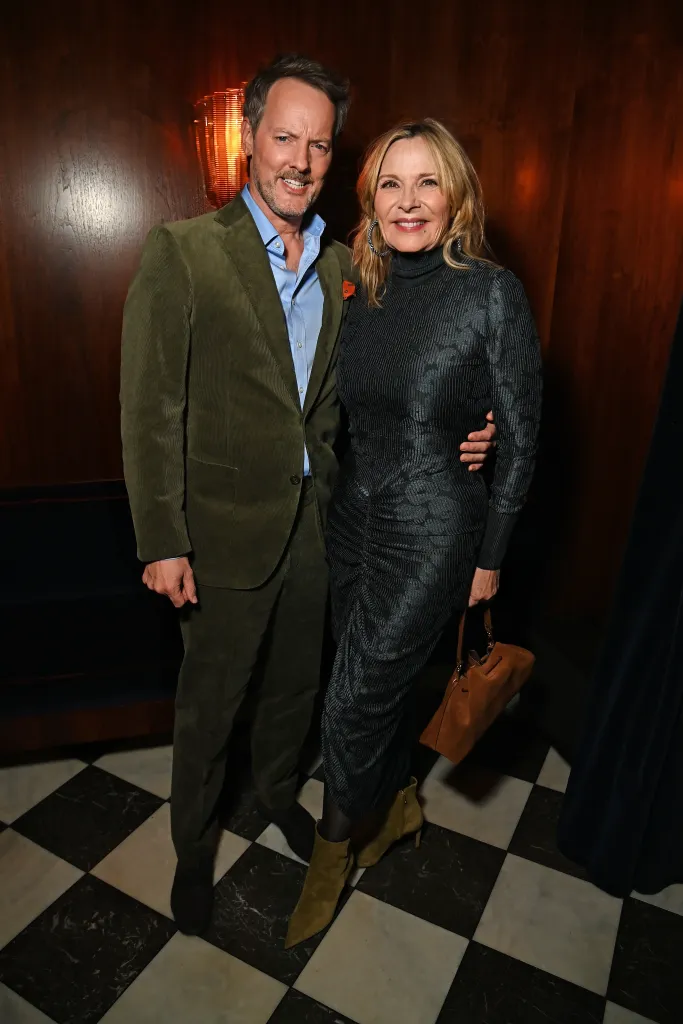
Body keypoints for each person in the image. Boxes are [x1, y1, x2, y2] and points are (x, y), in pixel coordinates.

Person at [120, 57, 495, 938]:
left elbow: (394, 384)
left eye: (318, 143)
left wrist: (470, 435)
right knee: (210, 710)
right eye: (283, 137)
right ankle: (189, 852)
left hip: (317, 535)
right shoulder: (183, 251)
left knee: (295, 694)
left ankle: (282, 795)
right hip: (217, 541)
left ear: (331, 156)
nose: (299, 158)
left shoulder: (342, 266)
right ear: (248, 139)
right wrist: (159, 540)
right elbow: (149, 411)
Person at [286, 118, 543, 948]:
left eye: (427, 182)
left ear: (456, 195)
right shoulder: (365, 284)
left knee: (351, 702)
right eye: (390, 184)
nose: (408, 202)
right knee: (370, 682)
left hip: (436, 525)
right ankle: (396, 806)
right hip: (353, 519)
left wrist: (490, 560)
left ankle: (329, 859)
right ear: (369, 200)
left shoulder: (490, 293)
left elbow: (526, 432)